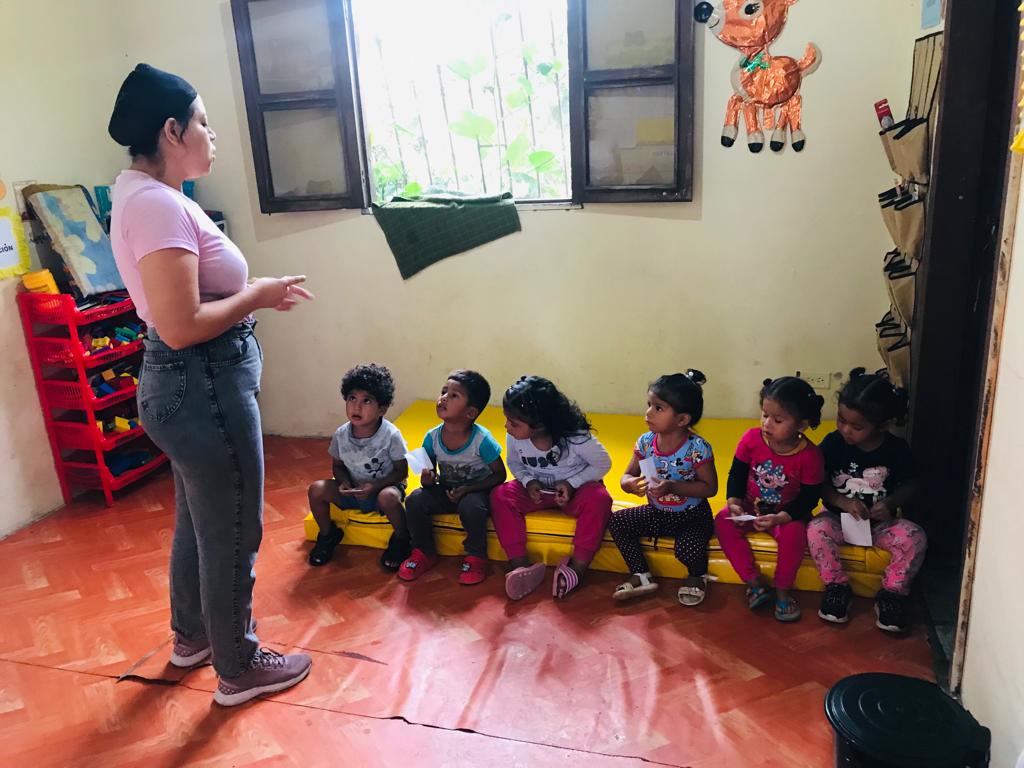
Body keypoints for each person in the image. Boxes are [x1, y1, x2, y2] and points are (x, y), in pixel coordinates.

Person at [108, 63, 313, 706]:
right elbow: (182, 326)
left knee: (202, 521)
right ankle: (239, 666)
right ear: (172, 131)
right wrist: (257, 294)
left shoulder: (149, 195)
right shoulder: (156, 205)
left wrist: (251, 296)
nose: (212, 132)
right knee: (232, 527)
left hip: (191, 386)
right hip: (201, 383)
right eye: (202, 121)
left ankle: (195, 638)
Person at [807, 368, 925, 632]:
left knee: (915, 536)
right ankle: (836, 587)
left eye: (857, 427)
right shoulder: (833, 443)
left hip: (880, 525)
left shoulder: (896, 449)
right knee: (815, 529)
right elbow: (818, 483)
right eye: (841, 420)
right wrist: (842, 502)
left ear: (881, 425)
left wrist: (890, 503)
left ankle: (892, 594)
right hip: (838, 519)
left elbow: (911, 484)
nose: (845, 430)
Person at [491, 376, 613, 600]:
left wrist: (572, 483)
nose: (506, 426)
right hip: (537, 493)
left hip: (574, 493)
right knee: (500, 495)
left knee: (600, 499)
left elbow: (603, 464)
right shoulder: (515, 436)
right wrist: (528, 481)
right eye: (507, 419)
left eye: (513, 423)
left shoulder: (576, 438)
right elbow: (514, 463)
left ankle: (577, 568)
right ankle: (520, 565)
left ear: (540, 425)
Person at [714, 376, 824, 622]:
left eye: (777, 420)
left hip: (786, 514)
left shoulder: (811, 456)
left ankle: (783, 591)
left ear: (801, 425)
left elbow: (809, 498)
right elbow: (737, 473)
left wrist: (781, 517)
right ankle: (754, 584)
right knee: (723, 520)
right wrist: (733, 502)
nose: (767, 423)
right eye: (764, 415)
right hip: (749, 506)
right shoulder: (751, 439)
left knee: (795, 535)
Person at [610, 371, 718, 606]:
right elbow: (627, 476)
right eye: (649, 405)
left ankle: (697, 575)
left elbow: (710, 488)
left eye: (658, 408)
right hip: (657, 512)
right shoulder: (645, 442)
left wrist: (673, 487)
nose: (648, 412)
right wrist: (628, 484)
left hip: (692, 517)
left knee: (688, 549)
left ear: (682, 419)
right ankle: (641, 573)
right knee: (617, 522)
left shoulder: (697, 448)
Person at [398, 370, 506, 585]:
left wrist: (470, 489)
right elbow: (429, 474)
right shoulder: (432, 437)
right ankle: (424, 551)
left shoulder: (482, 440)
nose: (444, 398)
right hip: (447, 490)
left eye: (454, 395)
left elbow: (500, 475)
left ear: (470, 412)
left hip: (476, 492)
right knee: (415, 500)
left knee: (471, 506)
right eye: (444, 391)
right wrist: (428, 480)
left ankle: (476, 556)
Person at [306, 364, 410, 570]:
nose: (356, 407)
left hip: (382, 490)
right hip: (353, 490)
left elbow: (402, 471)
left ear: (382, 409)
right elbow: (337, 466)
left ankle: (402, 537)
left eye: (366, 401)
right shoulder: (341, 434)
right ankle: (328, 534)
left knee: (389, 497)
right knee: (316, 489)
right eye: (352, 398)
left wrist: (375, 486)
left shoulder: (391, 435)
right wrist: (344, 482)